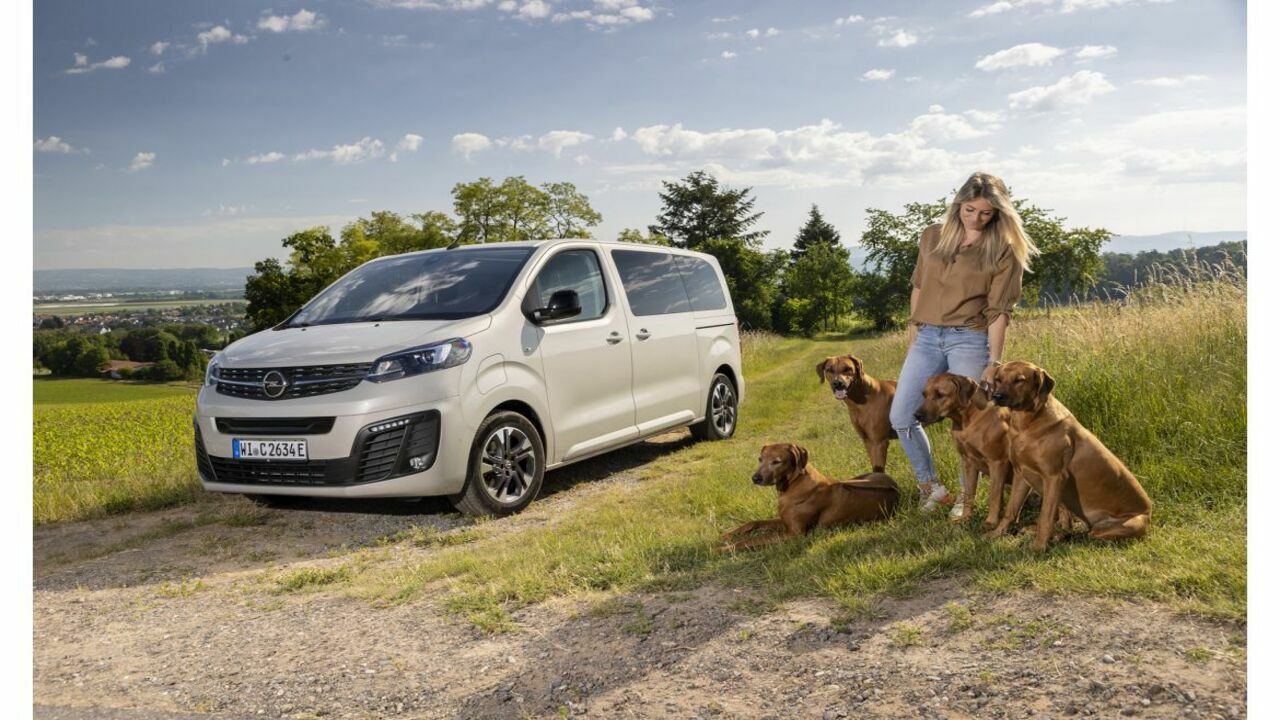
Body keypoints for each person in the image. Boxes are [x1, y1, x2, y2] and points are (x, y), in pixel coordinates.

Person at [889, 172, 1039, 515]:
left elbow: (1000, 310)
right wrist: (914, 329)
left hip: (970, 339)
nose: (976, 218)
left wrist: (993, 359)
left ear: (998, 214)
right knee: (900, 416)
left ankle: (965, 498)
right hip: (927, 336)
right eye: (970, 210)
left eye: (986, 213)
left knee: (971, 423)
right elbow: (918, 285)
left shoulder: (1003, 248)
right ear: (958, 205)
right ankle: (931, 487)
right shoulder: (932, 237)